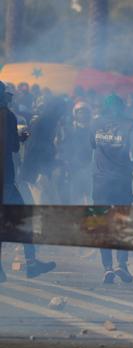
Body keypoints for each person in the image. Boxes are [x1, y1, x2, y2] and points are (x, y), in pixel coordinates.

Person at [0, 81, 56, 283]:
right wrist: (23, 136)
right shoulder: (7, 115)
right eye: (7, 95)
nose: (10, 98)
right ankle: (31, 264)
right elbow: (14, 147)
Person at [91, 94, 133, 284]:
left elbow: (91, 146)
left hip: (100, 181)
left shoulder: (95, 124)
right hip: (122, 179)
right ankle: (122, 264)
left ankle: (107, 268)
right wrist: (132, 166)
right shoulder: (131, 125)